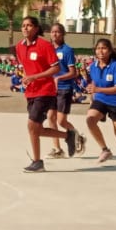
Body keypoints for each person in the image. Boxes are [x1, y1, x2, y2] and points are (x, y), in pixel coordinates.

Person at [15, 15, 75, 172]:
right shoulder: (19, 46)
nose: (25, 28)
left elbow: (56, 68)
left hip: (45, 90)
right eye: (23, 25)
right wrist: (26, 78)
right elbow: (26, 67)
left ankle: (37, 162)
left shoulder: (45, 45)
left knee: (31, 124)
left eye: (29, 25)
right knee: (36, 129)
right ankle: (68, 136)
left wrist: (35, 77)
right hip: (31, 91)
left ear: (36, 28)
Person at [85, 38, 116, 164]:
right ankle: (105, 150)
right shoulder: (93, 66)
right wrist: (92, 97)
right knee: (90, 120)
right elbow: (94, 82)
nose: (101, 51)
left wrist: (97, 89)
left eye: (104, 48)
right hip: (100, 99)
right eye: (98, 48)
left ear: (110, 51)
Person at [46, 23, 86, 158]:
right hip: (51, 89)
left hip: (64, 88)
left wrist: (59, 78)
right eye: (52, 31)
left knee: (61, 121)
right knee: (50, 117)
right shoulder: (48, 49)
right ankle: (57, 149)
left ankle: (77, 137)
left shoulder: (67, 50)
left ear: (63, 34)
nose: (54, 34)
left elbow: (73, 72)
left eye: (57, 32)